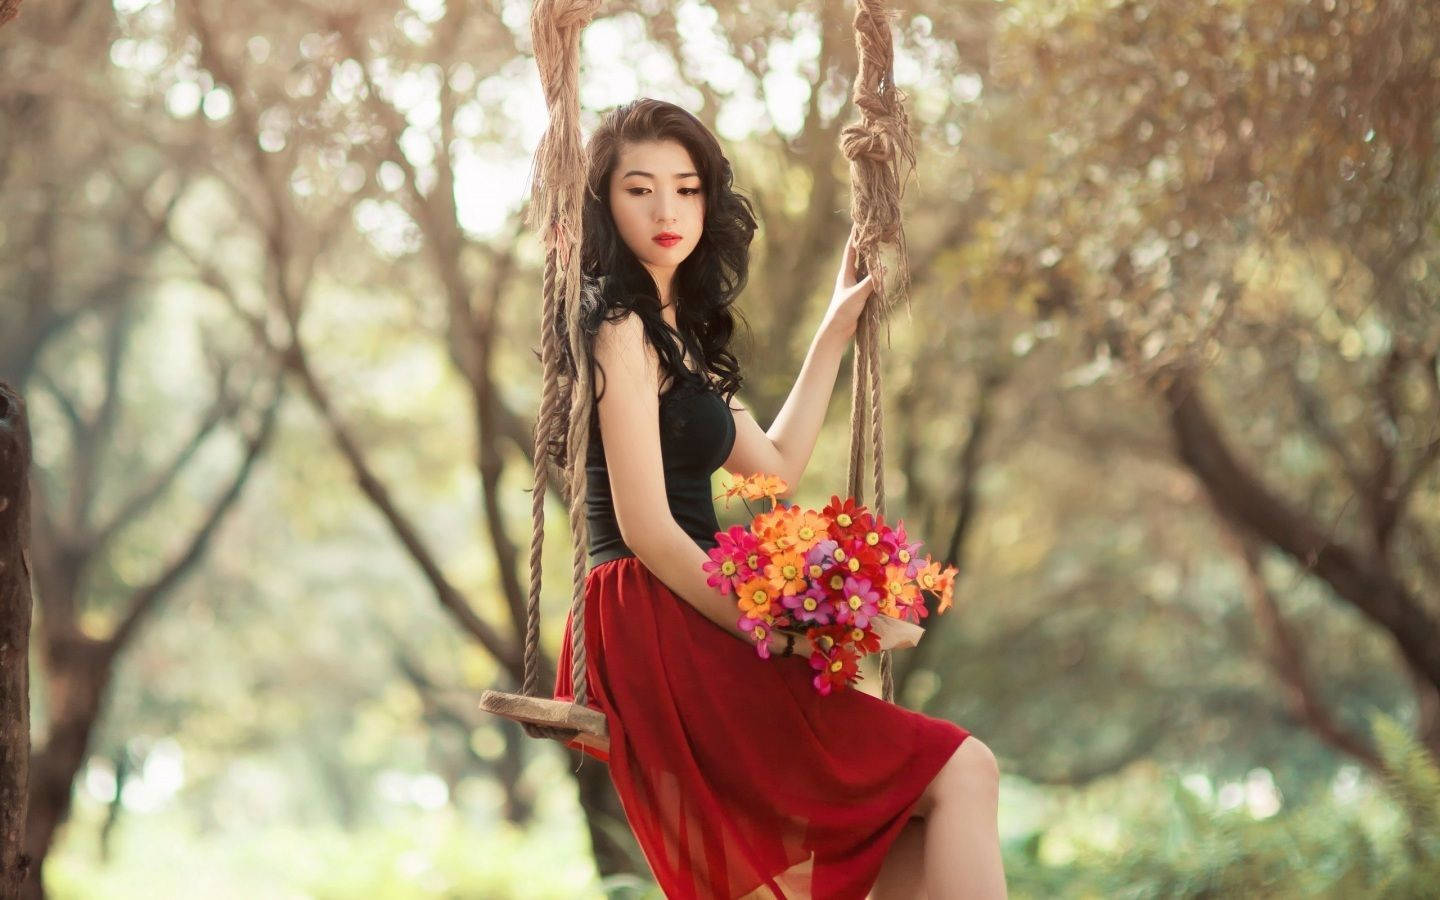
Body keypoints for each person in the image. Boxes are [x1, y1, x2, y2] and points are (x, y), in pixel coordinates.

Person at [550, 98, 1007, 900]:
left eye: (687, 190)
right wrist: (776, 634)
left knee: (916, 809)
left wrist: (833, 328)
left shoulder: (675, 336)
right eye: (640, 190)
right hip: (656, 604)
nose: (667, 211)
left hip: (696, 601)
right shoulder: (616, 325)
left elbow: (777, 465)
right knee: (960, 768)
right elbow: (649, 530)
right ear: (604, 202)